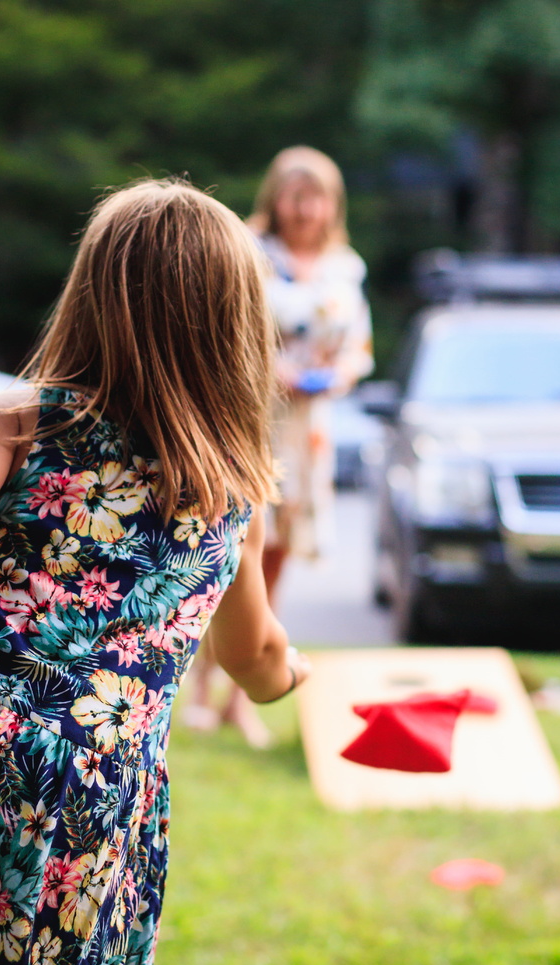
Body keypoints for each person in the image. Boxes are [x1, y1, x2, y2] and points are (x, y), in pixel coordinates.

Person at [0, 178, 309, 965]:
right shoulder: (232, 491)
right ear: (235, 325)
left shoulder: (18, 425)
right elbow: (258, 662)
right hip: (97, 797)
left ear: (92, 295)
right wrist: (297, 673)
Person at [184, 146, 373, 742]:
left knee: (274, 560)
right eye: (295, 193)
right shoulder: (250, 253)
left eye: (316, 195)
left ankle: (243, 692)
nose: (305, 207)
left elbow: (359, 348)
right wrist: (270, 371)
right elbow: (223, 325)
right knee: (231, 550)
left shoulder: (346, 268)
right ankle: (204, 688)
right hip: (253, 417)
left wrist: (339, 374)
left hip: (308, 430)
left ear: (331, 203)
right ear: (276, 197)